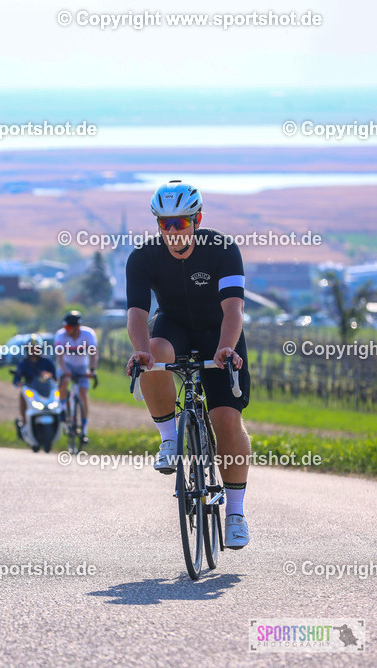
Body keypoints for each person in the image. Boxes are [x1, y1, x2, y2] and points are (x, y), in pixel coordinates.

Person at [125, 179, 252, 549]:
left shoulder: (222, 249)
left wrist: (226, 348)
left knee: (226, 419)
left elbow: (234, 308)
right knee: (153, 354)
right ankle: (169, 439)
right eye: (164, 223)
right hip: (174, 326)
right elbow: (136, 313)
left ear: (197, 220)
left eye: (180, 223)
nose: (172, 231)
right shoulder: (143, 257)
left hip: (219, 331)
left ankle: (235, 513)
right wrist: (140, 350)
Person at [55, 311, 99, 445]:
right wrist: (65, 371)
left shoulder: (88, 334)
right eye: (64, 327)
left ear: (77, 327)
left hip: (82, 367)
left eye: (68, 327)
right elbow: (59, 357)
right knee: (64, 381)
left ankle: (84, 431)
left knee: (83, 394)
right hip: (66, 365)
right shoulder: (61, 335)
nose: (65, 330)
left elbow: (93, 354)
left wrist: (92, 370)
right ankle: (63, 409)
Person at [13, 336, 57, 432]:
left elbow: (55, 376)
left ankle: (60, 419)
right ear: (27, 349)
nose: (33, 350)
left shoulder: (47, 361)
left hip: (46, 389)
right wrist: (18, 383)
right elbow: (17, 378)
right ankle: (24, 422)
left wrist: (49, 375)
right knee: (22, 395)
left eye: (36, 348)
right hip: (31, 389)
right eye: (31, 348)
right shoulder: (23, 363)